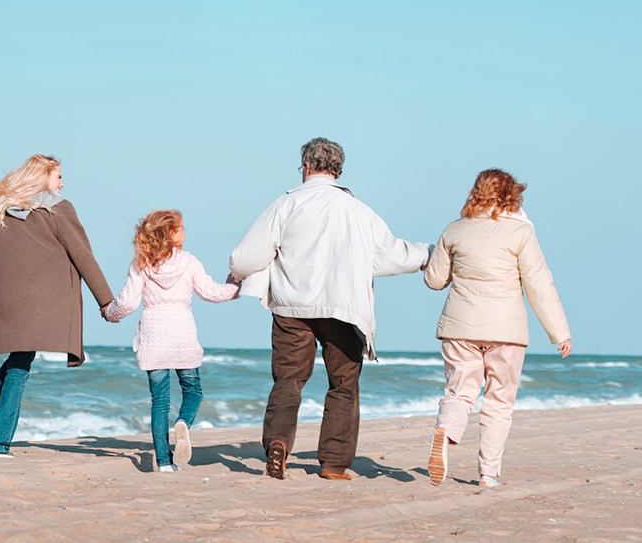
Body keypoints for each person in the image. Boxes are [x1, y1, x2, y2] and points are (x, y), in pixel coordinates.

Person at [228, 137, 431, 480]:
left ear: (306, 167)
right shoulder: (360, 211)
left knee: (288, 381)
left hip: (292, 308)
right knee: (343, 385)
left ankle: (278, 444)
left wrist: (237, 275)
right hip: (344, 308)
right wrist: (430, 253)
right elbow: (393, 255)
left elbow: (245, 257)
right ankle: (334, 464)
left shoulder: (286, 204)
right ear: (338, 170)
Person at [0, 154, 114, 458]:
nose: (62, 183)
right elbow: (83, 255)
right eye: (58, 177)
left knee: (20, 356)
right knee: (21, 367)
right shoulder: (58, 209)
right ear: (42, 179)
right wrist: (105, 300)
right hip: (40, 303)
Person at [423, 169, 571, 488]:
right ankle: (488, 474)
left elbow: (434, 280)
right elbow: (539, 284)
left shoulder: (455, 229)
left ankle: (446, 432)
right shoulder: (521, 232)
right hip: (506, 331)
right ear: (513, 195)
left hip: (459, 327)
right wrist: (559, 332)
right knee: (499, 400)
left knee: (459, 392)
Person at [102, 210, 239, 473]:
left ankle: (164, 463)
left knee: (160, 401)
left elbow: (128, 303)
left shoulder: (140, 263)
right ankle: (184, 424)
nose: (186, 233)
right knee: (193, 391)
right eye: (183, 228)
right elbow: (212, 293)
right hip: (182, 335)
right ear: (172, 234)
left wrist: (110, 314)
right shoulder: (189, 262)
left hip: (154, 337)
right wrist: (237, 286)